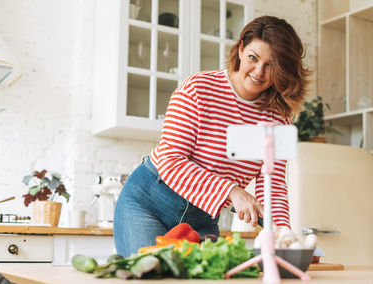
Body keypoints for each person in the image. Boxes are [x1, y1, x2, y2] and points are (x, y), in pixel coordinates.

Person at [114, 15, 311, 257]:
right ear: (240, 50)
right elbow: (170, 159)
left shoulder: (277, 119)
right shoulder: (197, 89)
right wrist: (232, 191)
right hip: (148, 203)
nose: (259, 72)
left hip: (202, 218)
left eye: (271, 65)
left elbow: (273, 188)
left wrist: (286, 241)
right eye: (253, 57)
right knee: (152, 274)